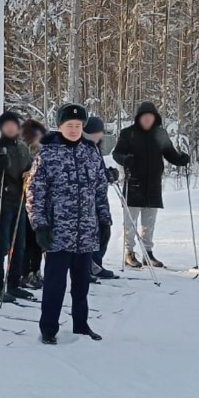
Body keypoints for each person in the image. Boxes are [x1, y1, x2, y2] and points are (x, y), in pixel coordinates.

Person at [27, 104, 111, 345]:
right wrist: (40, 225)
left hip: (86, 232)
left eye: (78, 126)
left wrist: (104, 221)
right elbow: (34, 192)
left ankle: (81, 325)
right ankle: (48, 329)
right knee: (55, 285)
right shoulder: (47, 153)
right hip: (57, 233)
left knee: (81, 286)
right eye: (69, 125)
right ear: (60, 126)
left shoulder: (91, 152)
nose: (74, 130)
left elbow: (100, 190)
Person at [111, 102, 189, 268]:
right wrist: (125, 160)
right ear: (139, 118)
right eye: (144, 117)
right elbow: (116, 154)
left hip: (153, 185)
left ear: (155, 118)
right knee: (130, 222)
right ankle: (129, 253)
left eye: (150, 117)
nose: (147, 120)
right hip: (133, 184)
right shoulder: (128, 133)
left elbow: (170, 154)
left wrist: (181, 160)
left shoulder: (160, 134)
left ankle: (148, 253)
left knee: (149, 223)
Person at [0, 112, 35, 302]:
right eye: (7, 125)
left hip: (19, 201)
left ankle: (13, 284)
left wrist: (29, 174)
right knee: (1, 246)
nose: (11, 128)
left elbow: (29, 169)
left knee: (19, 245)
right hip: (2, 202)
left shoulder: (22, 148)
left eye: (14, 125)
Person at [83, 116, 120, 280]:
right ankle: (88, 266)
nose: (100, 136)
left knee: (105, 230)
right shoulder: (83, 147)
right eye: (97, 132)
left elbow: (97, 172)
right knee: (92, 234)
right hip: (87, 201)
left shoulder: (95, 148)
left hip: (100, 199)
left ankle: (96, 264)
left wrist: (108, 174)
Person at [20, 119, 47, 289]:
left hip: (40, 201)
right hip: (24, 200)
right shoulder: (22, 150)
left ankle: (36, 270)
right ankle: (25, 272)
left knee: (38, 239)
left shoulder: (44, 152)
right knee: (27, 239)